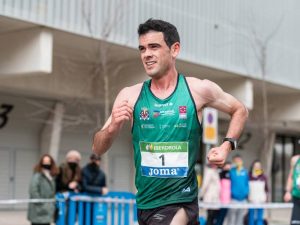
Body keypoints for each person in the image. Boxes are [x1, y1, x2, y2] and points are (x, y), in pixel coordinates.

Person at [92, 18, 248, 225]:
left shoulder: (198, 90)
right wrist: (112, 128)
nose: (146, 54)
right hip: (146, 203)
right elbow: (97, 148)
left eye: (154, 47)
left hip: (181, 200)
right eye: (142, 49)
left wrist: (227, 146)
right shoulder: (130, 95)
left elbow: (240, 110)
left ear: (174, 49)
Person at [27, 154, 58, 225]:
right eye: (44, 161)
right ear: (41, 163)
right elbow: (33, 191)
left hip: (48, 210)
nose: (46, 164)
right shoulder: (37, 176)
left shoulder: (52, 176)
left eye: (48, 162)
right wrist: (42, 204)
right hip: (38, 210)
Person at [227, 154, 249, 225]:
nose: (238, 162)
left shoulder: (245, 172)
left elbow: (247, 183)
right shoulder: (231, 172)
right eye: (236, 161)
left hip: (243, 199)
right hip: (233, 199)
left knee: (240, 219)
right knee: (231, 219)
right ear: (233, 162)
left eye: (239, 160)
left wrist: (246, 193)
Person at [248, 160, 268, 225]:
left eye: (258, 166)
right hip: (251, 199)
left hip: (261, 199)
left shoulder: (264, 177)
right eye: (255, 166)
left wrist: (265, 197)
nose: (257, 167)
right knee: (251, 217)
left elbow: (266, 189)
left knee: (260, 218)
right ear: (253, 166)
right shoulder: (249, 176)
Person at [284, 154, 300, 225]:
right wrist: (288, 191)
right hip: (297, 197)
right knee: (295, 223)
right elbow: (291, 176)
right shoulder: (295, 159)